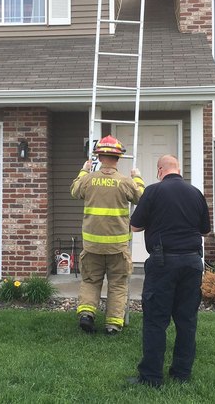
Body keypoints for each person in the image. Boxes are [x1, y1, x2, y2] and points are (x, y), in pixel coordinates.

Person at [128, 154, 210, 387]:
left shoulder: (153, 192)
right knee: (187, 320)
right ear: (178, 170)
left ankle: (151, 377)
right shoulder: (195, 193)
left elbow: (135, 226)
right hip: (193, 263)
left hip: (164, 263)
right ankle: (181, 373)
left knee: (156, 320)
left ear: (160, 170)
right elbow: (205, 230)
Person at [70, 135, 145, 335]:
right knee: (118, 284)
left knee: (90, 280)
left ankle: (87, 314)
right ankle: (112, 324)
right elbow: (142, 198)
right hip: (118, 247)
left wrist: (84, 170)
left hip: (92, 245)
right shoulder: (125, 181)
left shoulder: (88, 180)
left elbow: (74, 191)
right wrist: (137, 176)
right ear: (118, 158)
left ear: (99, 157)